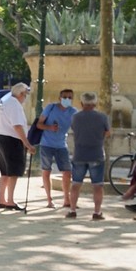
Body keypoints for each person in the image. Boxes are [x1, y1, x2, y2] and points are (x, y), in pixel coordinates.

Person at [67, 91, 111, 219]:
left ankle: (73, 210)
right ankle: (97, 212)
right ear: (95, 103)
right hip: (96, 153)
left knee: (75, 184)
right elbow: (108, 132)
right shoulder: (102, 117)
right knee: (97, 186)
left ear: (82, 103)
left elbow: (75, 130)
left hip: (79, 154)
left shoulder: (75, 117)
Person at [33, 87, 78, 210]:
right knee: (46, 171)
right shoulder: (50, 108)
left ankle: (67, 200)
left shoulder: (73, 111)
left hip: (61, 145)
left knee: (67, 172)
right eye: (64, 97)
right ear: (59, 98)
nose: (67, 99)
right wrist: (49, 127)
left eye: (70, 97)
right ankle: (49, 199)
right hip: (46, 144)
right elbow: (39, 124)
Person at [0, 83, 32, 211]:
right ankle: (10, 200)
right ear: (21, 94)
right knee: (13, 172)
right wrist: (27, 143)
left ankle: (2, 199)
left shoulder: (7, 102)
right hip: (11, 140)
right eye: (25, 95)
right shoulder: (14, 105)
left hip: (1, 137)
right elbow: (17, 126)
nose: (25, 98)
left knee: (5, 171)